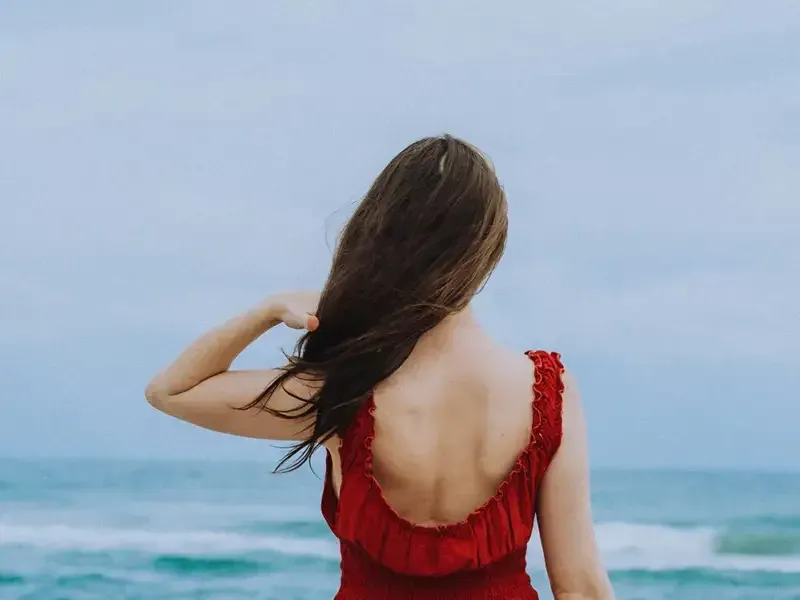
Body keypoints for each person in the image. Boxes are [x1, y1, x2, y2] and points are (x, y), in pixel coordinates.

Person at [145, 135, 615, 600]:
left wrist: (267, 311)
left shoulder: (340, 391)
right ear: (488, 248)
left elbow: (171, 392)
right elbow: (580, 586)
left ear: (379, 236)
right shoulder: (545, 392)